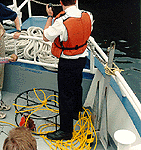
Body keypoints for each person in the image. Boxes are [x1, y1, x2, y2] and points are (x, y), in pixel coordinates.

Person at [43, 0, 93, 140]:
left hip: (68, 61)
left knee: (65, 95)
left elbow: (45, 37)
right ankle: (76, 112)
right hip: (82, 58)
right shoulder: (88, 15)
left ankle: (66, 131)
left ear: (60, 2)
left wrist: (50, 17)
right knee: (77, 85)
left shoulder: (62, 21)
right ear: (76, 1)